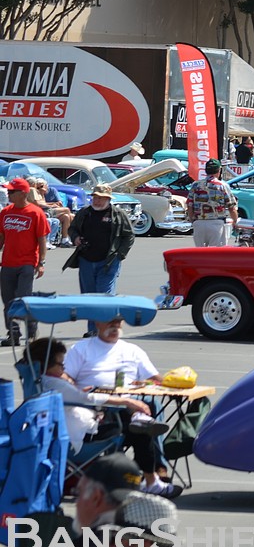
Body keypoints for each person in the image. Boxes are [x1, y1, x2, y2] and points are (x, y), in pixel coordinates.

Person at [64, 317, 177, 496]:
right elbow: (65, 379)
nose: (115, 325)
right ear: (96, 322)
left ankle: (156, 468)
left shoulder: (132, 350)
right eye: (110, 321)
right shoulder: (81, 349)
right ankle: (153, 476)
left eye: (119, 321)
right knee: (140, 420)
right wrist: (73, 386)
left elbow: (155, 378)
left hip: (128, 404)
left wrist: (178, 382)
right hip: (94, 410)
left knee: (149, 406)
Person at [27, 338, 156, 453]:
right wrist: (127, 401)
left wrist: (79, 393)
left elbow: (77, 397)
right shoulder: (54, 383)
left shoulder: (40, 382)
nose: (63, 368)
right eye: (60, 364)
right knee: (140, 431)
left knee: (132, 424)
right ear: (46, 365)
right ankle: (151, 477)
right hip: (80, 433)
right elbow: (87, 399)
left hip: (63, 430)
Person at [69, 185, 136, 333]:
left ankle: (104, 330)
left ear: (108, 199)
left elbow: (129, 236)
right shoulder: (84, 213)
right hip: (86, 260)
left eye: (101, 198)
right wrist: (75, 238)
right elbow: (72, 228)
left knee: (104, 298)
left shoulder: (118, 214)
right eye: (95, 197)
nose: (97, 201)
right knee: (89, 298)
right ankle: (92, 330)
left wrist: (119, 255)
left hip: (108, 262)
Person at [0, 178, 49, 346]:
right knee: (8, 301)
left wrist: (41, 262)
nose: (8, 194)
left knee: (23, 298)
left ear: (23, 193)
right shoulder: (5, 212)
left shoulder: (35, 213)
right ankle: (13, 333)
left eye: (11, 192)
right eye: (8, 191)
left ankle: (31, 328)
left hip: (27, 263)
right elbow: (1, 237)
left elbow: (42, 240)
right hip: (7, 263)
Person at [185, 160, 238, 247]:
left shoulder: (195, 185)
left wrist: (192, 220)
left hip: (199, 223)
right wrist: (235, 222)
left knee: (200, 253)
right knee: (215, 254)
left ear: (206, 171)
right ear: (219, 171)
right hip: (216, 223)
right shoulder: (222, 186)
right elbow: (231, 207)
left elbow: (190, 205)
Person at [29, 179, 73, 248]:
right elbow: (39, 204)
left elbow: (56, 203)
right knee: (67, 210)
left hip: (49, 210)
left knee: (66, 216)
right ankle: (69, 236)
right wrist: (52, 205)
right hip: (45, 212)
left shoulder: (50, 190)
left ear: (46, 185)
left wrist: (52, 204)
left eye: (42, 186)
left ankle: (64, 239)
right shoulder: (35, 192)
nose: (40, 188)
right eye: (38, 187)